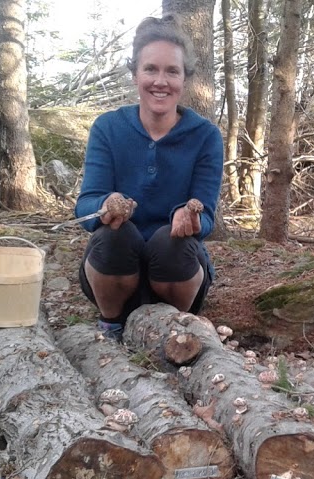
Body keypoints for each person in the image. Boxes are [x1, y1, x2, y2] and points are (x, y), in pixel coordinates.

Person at [73, 15, 223, 340]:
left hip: (176, 276)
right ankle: (111, 324)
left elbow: (207, 216)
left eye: (172, 71)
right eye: (150, 69)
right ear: (135, 74)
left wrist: (190, 216)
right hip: (115, 275)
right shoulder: (108, 129)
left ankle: (177, 329)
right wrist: (105, 205)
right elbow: (85, 206)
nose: (161, 81)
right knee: (113, 235)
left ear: (185, 79)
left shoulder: (206, 136)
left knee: (171, 241)